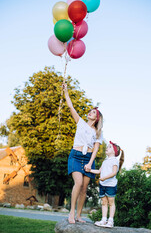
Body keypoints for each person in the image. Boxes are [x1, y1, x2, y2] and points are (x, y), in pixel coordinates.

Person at [62, 83, 103, 224]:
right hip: (76, 155)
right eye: (90, 111)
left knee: (84, 189)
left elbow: (96, 149)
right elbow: (70, 106)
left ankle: (79, 215)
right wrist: (66, 91)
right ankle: (71, 213)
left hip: (88, 159)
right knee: (78, 183)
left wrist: (90, 164)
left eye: (93, 112)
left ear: (96, 118)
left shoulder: (98, 132)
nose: (90, 112)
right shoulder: (80, 122)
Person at [85, 141, 124, 228]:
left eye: (109, 147)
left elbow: (114, 173)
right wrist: (89, 170)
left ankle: (110, 221)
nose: (107, 147)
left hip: (110, 185)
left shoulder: (114, 161)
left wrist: (104, 178)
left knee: (111, 203)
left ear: (114, 151)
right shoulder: (105, 161)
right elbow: (99, 171)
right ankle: (103, 220)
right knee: (103, 203)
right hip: (103, 184)